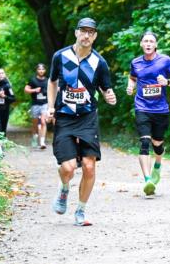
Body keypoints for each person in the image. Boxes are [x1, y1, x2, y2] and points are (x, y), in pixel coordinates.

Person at [44, 17, 117, 226]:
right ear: (76, 33)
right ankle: (64, 189)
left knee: (89, 166)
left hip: (87, 118)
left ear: (95, 36)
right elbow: (52, 82)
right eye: (83, 31)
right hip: (65, 117)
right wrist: (51, 106)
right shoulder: (60, 56)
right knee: (67, 168)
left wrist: (109, 96)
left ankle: (81, 211)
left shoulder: (99, 62)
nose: (86, 35)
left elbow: (106, 88)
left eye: (91, 32)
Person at [126, 30, 170, 196]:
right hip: (142, 107)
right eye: (145, 41)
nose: (148, 44)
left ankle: (158, 163)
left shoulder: (165, 61)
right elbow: (132, 77)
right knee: (144, 142)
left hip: (160, 109)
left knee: (157, 144)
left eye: (151, 41)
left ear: (156, 45)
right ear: (141, 44)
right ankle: (148, 180)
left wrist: (168, 82)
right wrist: (130, 85)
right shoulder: (136, 62)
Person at [24, 63, 50, 149]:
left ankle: (42, 142)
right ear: (37, 70)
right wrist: (34, 90)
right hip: (35, 104)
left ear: (45, 70)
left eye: (43, 69)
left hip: (45, 104)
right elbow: (26, 90)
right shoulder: (32, 80)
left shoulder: (48, 80)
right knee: (35, 122)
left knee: (43, 121)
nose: (41, 71)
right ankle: (34, 136)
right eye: (39, 69)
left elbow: (53, 89)